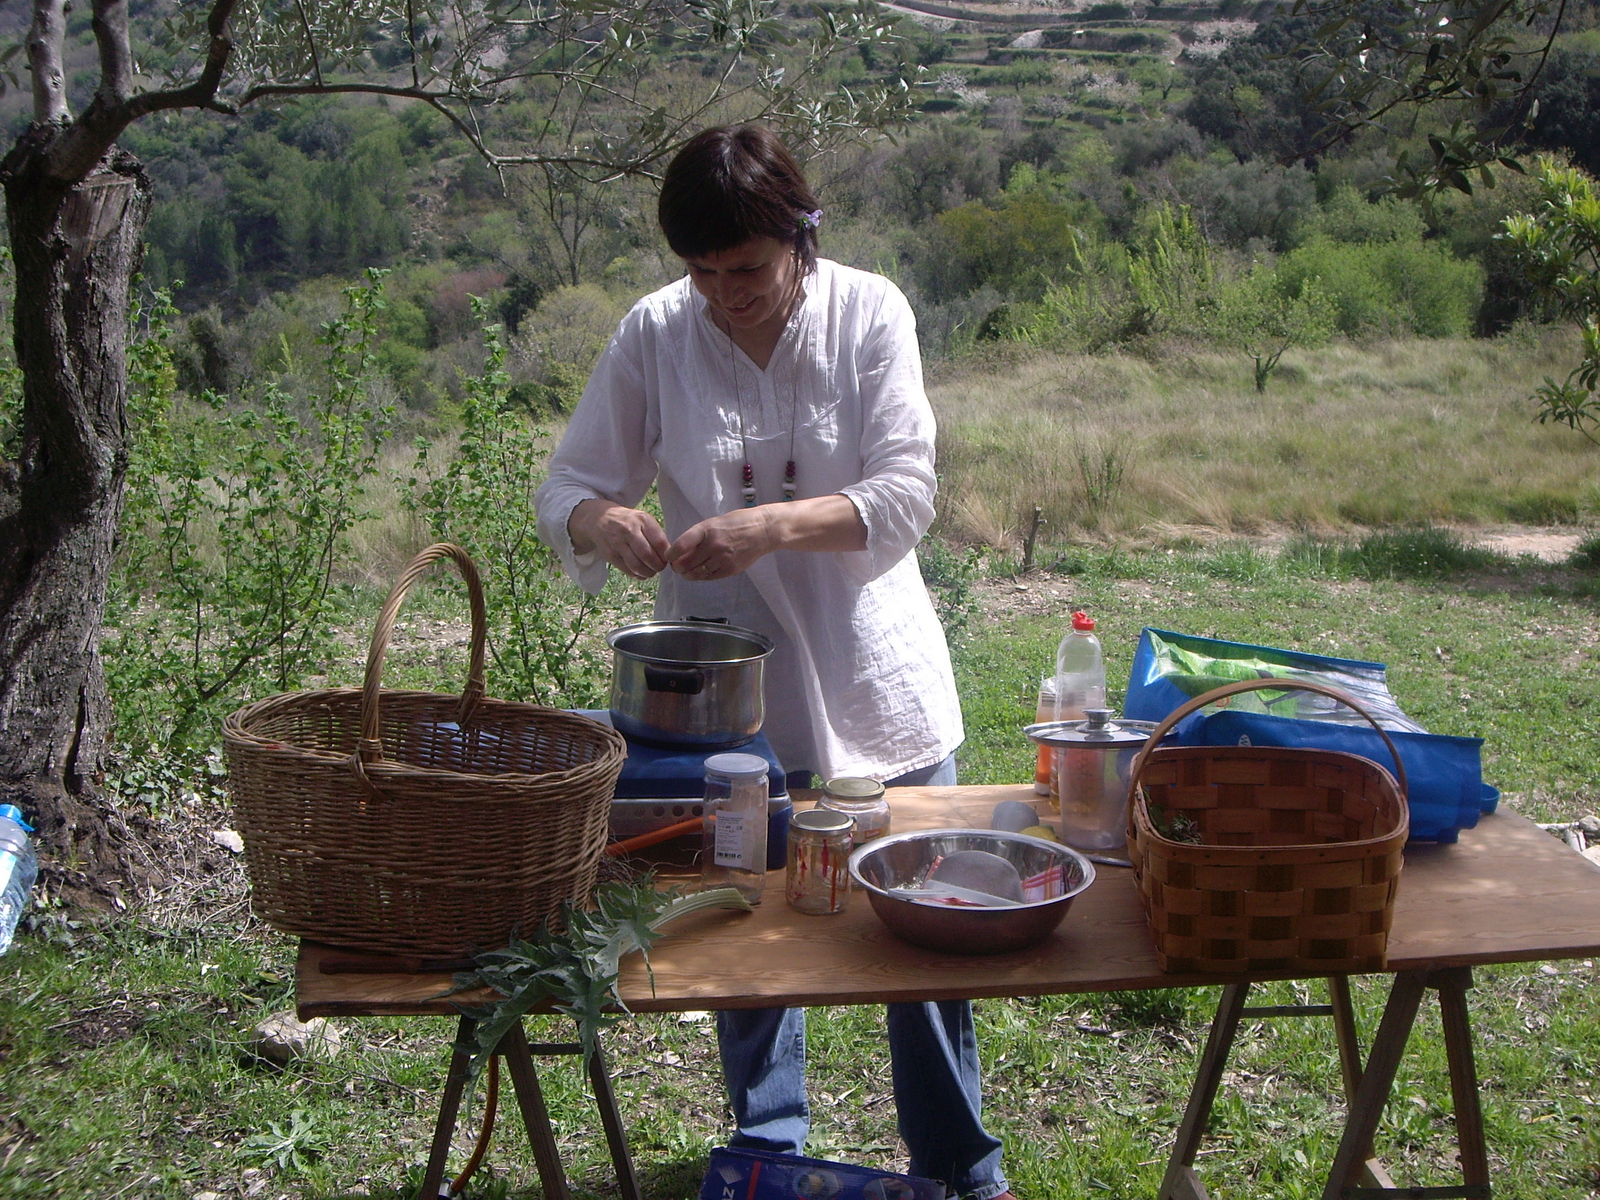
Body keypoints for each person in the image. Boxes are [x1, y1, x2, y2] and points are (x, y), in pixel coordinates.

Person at [535, 124, 1014, 1200]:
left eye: (743, 268)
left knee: (920, 941)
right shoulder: (657, 333)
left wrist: (763, 529)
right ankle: (771, 1153)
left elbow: (904, 498)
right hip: (722, 696)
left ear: (799, 237)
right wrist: (603, 522)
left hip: (870, 680)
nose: (722, 293)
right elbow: (564, 485)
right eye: (699, 272)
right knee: (744, 932)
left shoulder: (868, 312)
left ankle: (959, 1168)